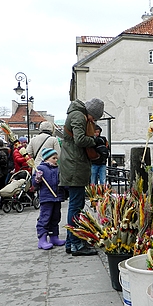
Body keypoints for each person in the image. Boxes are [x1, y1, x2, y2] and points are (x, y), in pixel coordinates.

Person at [59, 97, 104, 256]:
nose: (94, 121)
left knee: (75, 204)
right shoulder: (78, 115)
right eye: (95, 117)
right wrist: (95, 141)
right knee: (76, 205)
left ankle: (71, 243)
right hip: (74, 165)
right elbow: (79, 139)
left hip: (73, 163)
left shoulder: (76, 114)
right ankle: (77, 244)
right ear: (90, 112)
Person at [33, 148, 65, 250]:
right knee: (45, 217)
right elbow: (34, 184)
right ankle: (42, 239)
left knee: (56, 217)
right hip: (46, 198)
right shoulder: (41, 168)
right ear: (47, 159)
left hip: (57, 197)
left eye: (56, 158)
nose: (56, 160)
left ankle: (54, 236)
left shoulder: (58, 169)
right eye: (53, 158)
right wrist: (37, 179)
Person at [0, 139, 10, 209]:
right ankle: (4, 201)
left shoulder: (1, 152)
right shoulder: (7, 151)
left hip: (1, 172)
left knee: (1, 187)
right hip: (5, 172)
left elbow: (3, 162)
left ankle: (3, 202)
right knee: (3, 187)